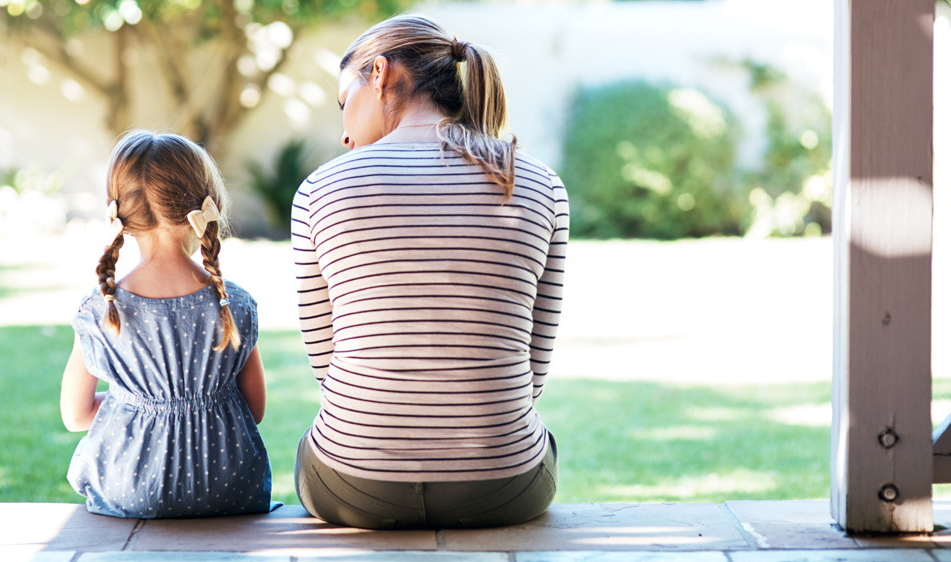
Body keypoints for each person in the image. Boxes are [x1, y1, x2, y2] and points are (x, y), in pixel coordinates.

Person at [290, 14, 569, 529]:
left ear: (378, 74)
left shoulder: (320, 190)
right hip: (504, 486)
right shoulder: (538, 183)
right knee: (540, 440)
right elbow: (533, 367)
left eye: (342, 102)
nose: (343, 131)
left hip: (353, 486)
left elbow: (327, 365)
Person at [60, 130, 275, 518]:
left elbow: (75, 416)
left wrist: (138, 402)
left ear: (119, 215)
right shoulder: (235, 304)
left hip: (130, 490)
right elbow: (254, 409)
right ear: (205, 205)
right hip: (228, 488)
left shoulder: (100, 309)